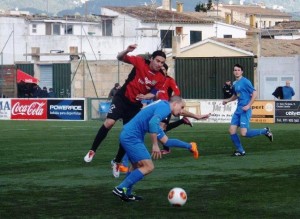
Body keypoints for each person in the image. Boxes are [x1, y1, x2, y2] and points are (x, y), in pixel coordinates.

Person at [84, 44, 166, 164]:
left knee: (128, 133)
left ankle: (117, 161)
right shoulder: (140, 62)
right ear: (152, 59)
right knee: (109, 122)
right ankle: (92, 150)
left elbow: (153, 93)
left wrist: (145, 96)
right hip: (122, 98)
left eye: (162, 63)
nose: (159, 64)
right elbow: (120, 58)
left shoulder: (160, 77)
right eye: (157, 61)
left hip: (135, 105)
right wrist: (127, 50)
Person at [112, 96, 199, 202]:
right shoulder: (165, 108)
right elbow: (153, 122)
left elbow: (166, 141)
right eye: (181, 107)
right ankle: (120, 188)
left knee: (136, 166)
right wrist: (155, 144)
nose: (181, 111)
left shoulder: (161, 105)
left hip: (129, 134)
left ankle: (126, 193)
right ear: (175, 104)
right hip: (131, 136)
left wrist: (189, 146)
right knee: (148, 167)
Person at [222, 64, 273, 156]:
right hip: (238, 110)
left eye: (238, 70)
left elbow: (255, 93)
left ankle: (265, 131)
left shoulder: (245, 81)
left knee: (244, 133)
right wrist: (227, 101)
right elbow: (235, 95)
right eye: (235, 70)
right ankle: (240, 150)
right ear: (233, 72)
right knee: (231, 130)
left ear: (242, 72)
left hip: (245, 110)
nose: (236, 71)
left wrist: (249, 105)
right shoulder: (234, 83)